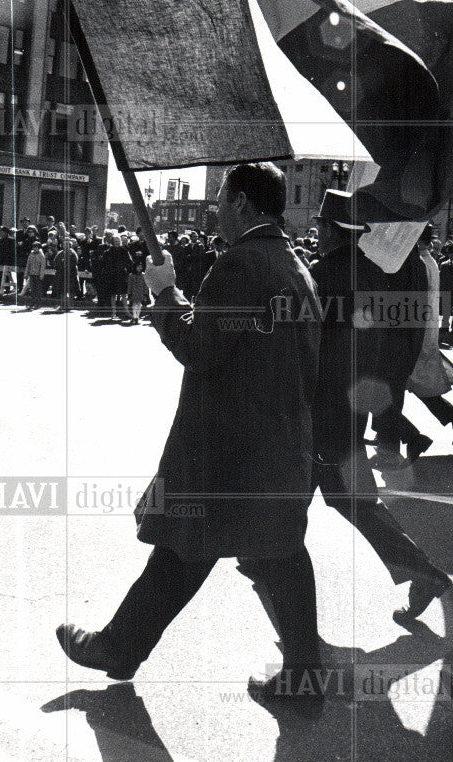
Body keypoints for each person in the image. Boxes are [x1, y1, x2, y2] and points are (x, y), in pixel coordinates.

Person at [56, 162, 326, 707]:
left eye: (223, 199)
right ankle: (124, 647)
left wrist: (166, 292)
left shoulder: (241, 264)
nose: (216, 210)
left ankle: (119, 648)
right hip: (276, 445)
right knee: (257, 553)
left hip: (228, 450)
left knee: (191, 547)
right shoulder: (295, 265)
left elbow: (199, 348)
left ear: (244, 203)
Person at [310, 190, 450, 625]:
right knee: (347, 498)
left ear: (331, 230)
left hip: (319, 409)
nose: (316, 235)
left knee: (332, 498)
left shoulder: (320, 273)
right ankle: (266, 565)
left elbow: (312, 344)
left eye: (319, 228)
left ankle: (270, 570)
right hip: (350, 403)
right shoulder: (375, 274)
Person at [400, 225, 453, 458]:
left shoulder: (420, 262)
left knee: (400, 383)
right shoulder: (428, 261)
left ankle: (406, 435)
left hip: (416, 331)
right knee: (417, 383)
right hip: (423, 329)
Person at [23, 242, 47, 309]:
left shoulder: (41, 256)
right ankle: (33, 301)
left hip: (38, 275)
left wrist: (41, 275)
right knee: (32, 289)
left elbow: (42, 266)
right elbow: (28, 264)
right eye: (34, 247)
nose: (35, 249)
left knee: (38, 289)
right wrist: (26, 273)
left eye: (36, 247)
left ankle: (38, 303)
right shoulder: (31, 255)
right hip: (31, 274)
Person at [126, 258, 149, 324]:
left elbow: (145, 285)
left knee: (139, 304)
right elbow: (129, 285)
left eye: (141, 267)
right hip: (134, 292)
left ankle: (137, 317)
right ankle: (134, 316)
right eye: (138, 267)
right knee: (134, 304)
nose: (140, 268)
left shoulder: (143, 275)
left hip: (140, 292)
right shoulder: (131, 275)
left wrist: (146, 293)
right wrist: (129, 293)